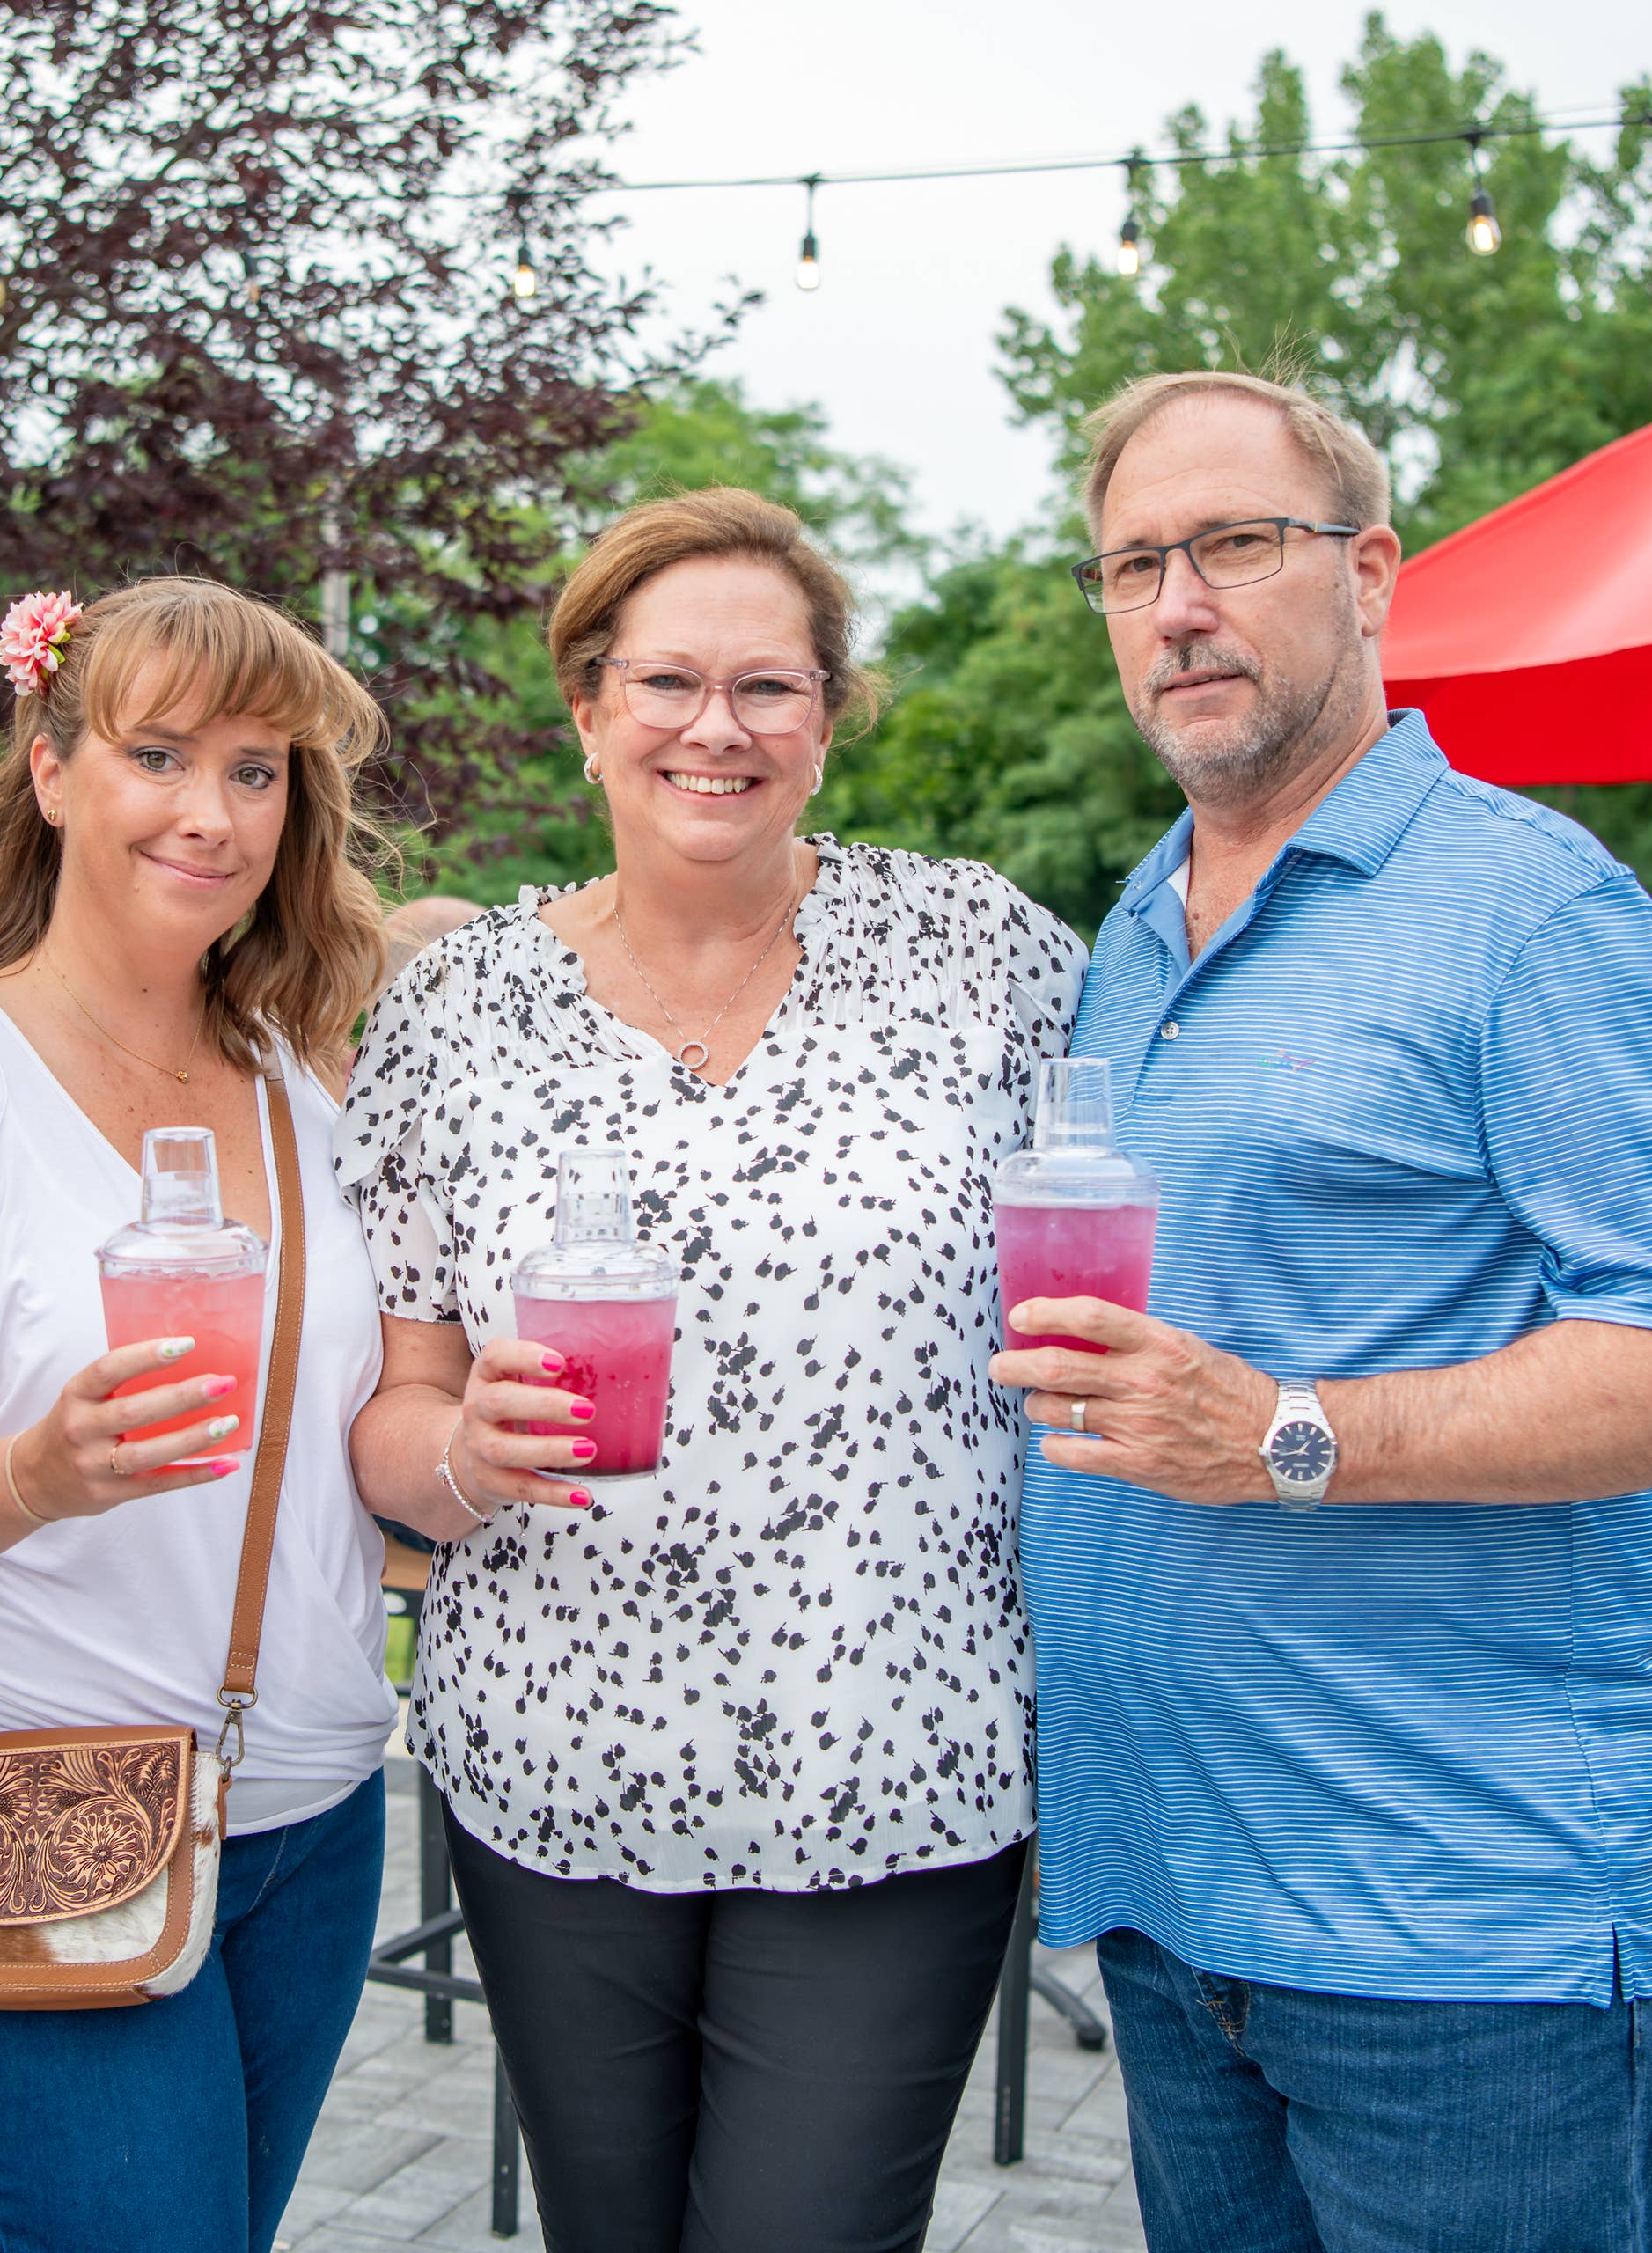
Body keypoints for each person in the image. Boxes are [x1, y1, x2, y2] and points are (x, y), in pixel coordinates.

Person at [996, 371, 1652, 2253]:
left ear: (1371, 573)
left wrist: (1290, 1427)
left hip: (1457, 1931)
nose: (1179, 602)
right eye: (1133, 563)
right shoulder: (1128, 930)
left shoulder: (1534, 913)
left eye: (1234, 545)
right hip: (1174, 1903)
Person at [341, 489, 1086, 2251]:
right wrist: (462, 1454)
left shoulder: (987, 957)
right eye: (666, 680)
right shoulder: (456, 1010)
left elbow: (1163, 1200)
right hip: (553, 1757)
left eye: (771, 683)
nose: (717, 726)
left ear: (830, 716)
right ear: (590, 710)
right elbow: (392, 1411)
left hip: (894, 1764)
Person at [0, 578, 400, 2253]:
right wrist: (38, 1475)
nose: (213, 812)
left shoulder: (307, 1075)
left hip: (314, 1811)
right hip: (26, 1810)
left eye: (259, 770)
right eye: (159, 753)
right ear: (52, 768)